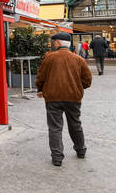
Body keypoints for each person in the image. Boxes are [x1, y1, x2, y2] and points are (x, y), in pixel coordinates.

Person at [36, 32, 92, 167]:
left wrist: (40, 89)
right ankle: (81, 150)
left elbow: (41, 77)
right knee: (75, 124)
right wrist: (77, 87)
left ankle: (57, 158)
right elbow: (87, 80)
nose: (53, 44)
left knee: (55, 127)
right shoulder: (78, 59)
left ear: (58, 43)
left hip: (53, 97)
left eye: (54, 42)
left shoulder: (49, 58)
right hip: (73, 97)